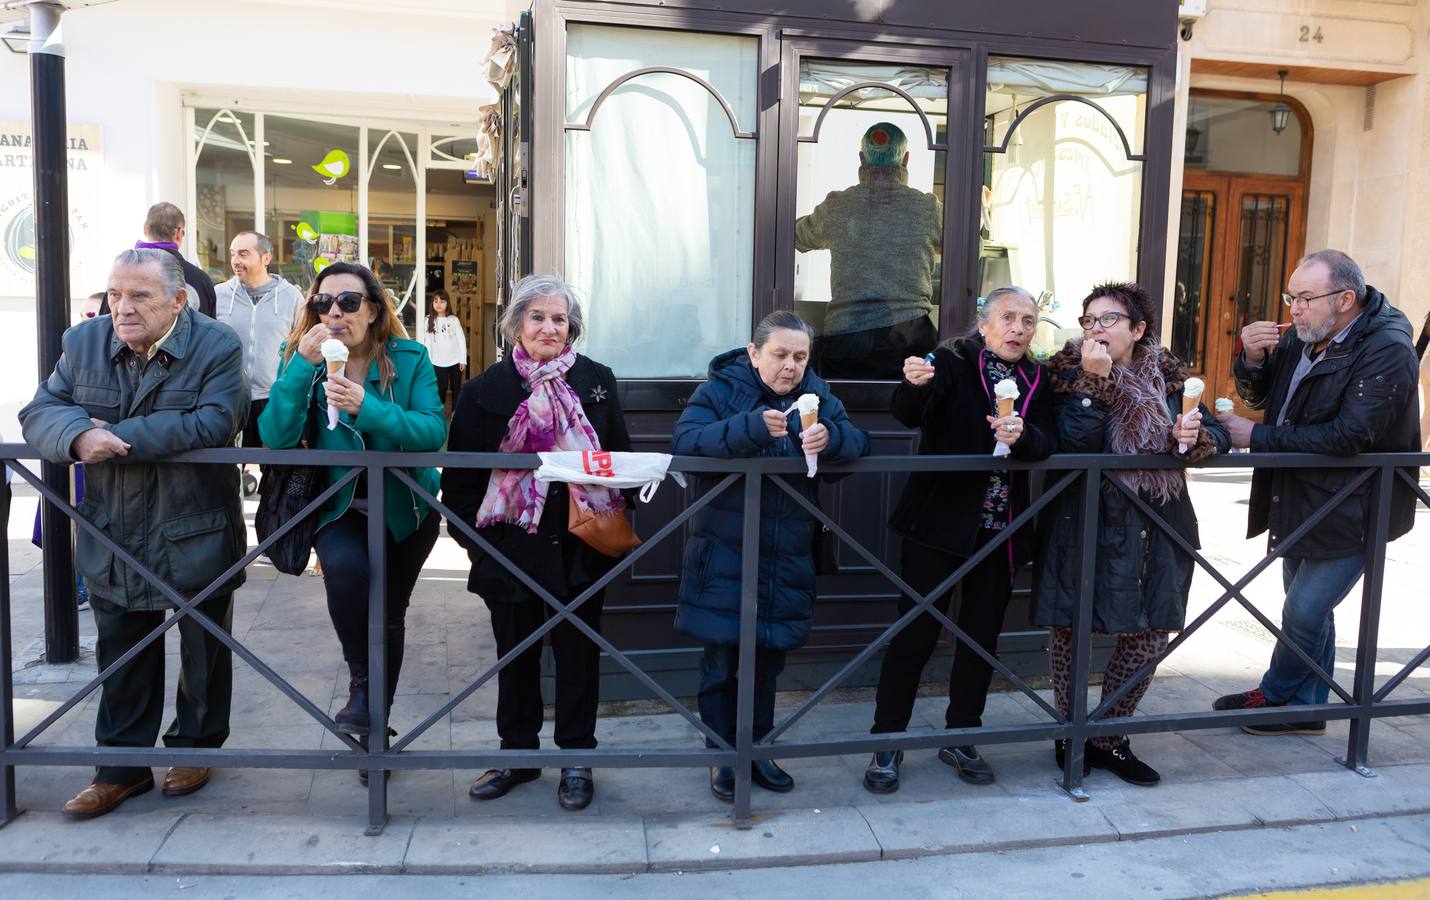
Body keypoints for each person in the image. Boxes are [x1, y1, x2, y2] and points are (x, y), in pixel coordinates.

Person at [20, 248, 248, 818]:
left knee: (203, 648)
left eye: (139, 296)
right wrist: (76, 435)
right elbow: (41, 409)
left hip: (192, 524)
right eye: (116, 294)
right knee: (120, 650)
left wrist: (115, 437)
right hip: (113, 528)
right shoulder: (83, 342)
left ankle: (196, 748)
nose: (123, 307)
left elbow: (217, 419)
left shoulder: (216, 345)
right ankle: (119, 770)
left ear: (178, 300)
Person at [442, 274, 632, 812]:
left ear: (572, 327)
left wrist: (609, 523)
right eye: (538, 317)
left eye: (560, 318)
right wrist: (479, 546)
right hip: (510, 548)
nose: (550, 327)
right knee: (516, 657)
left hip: (579, 546)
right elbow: (457, 484)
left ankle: (577, 759)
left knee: (578, 657)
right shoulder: (484, 391)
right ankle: (517, 755)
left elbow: (618, 458)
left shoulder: (597, 381)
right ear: (515, 325)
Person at [1213, 250, 1420, 733]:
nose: (1294, 309)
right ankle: (1305, 705)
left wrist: (1255, 437)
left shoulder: (1387, 346)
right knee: (1309, 610)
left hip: (1356, 502)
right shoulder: (1307, 334)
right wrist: (1253, 357)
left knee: (1304, 608)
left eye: (1305, 298)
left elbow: (1350, 436)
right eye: (1291, 297)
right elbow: (1262, 396)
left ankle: (1282, 694)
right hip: (1301, 495)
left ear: (1346, 299)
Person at [1032, 281, 1229, 787]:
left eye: (1109, 319)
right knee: (1070, 628)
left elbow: (1216, 433)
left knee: (1149, 632)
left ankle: (1109, 736)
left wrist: (1197, 437)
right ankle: (1070, 731)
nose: (1095, 329)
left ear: (1138, 330)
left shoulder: (1169, 377)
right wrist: (1093, 383)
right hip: (1083, 517)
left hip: (1157, 520)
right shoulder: (1060, 374)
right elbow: (1076, 444)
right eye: (1088, 320)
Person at [258, 261, 445, 782]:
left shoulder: (408, 359)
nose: (334, 312)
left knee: (388, 612)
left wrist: (369, 407)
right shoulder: (303, 359)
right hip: (338, 504)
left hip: (405, 507)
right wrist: (299, 367)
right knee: (345, 570)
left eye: (348, 302)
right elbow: (274, 436)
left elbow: (431, 432)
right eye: (323, 303)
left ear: (375, 309)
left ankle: (374, 732)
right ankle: (363, 685)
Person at [673, 310, 870, 802]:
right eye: (780, 354)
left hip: (787, 553)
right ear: (754, 353)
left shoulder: (819, 396)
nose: (790, 366)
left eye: (800, 356)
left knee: (767, 662)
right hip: (725, 550)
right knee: (722, 660)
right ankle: (723, 756)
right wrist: (750, 428)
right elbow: (685, 443)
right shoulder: (721, 390)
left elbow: (859, 442)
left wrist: (834, 440)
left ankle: (758, 750)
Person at [864, 287, 1055, 794]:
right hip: (938, 523)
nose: (1019, 328)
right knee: (915, 634)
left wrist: (1024, 438)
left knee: (980, 638)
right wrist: (913, 383)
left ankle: (962, 734)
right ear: (984, 322)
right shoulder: (951, 357)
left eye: (1029, 320)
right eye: (1009, 318)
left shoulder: (1038, 376)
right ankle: (887, 740)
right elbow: (908, 412)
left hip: (1002, 529)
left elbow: (1047, 443)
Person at [794, 122, 942, 379]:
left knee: (843, 411)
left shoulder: (838, 206)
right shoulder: (928, 208)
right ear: (905, 160)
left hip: (847, 340)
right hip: (911, 338)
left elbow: (795, 237)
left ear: (861, 159)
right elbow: (966, 245)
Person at [216, 231, 305, 451]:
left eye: (244, 254)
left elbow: (302, 349)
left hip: (273, 399)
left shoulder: (291, 298)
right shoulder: (218, 295)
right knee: (229, 470)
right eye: (233, 254)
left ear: (266, 258)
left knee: (274, 472)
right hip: (229, 397)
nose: (236, 261)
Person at [135, 201, 217, 318]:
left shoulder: (122, 273)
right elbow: (210, 330)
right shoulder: (199, 280)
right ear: (179, 233)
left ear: (145, 229)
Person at [422, 289, 467, 410]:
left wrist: (463, 359)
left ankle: (455, 413)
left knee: (456, 388)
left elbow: (461, 340)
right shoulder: (428, 320)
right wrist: (428, 361)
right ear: (432, 303)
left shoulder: (453, 320)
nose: (438, 304)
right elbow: (427, 343)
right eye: (435, 301)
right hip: (437, 361)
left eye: (442, 301)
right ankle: (440, 410)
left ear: (447, 304)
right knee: (441, 387)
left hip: (455, 360)